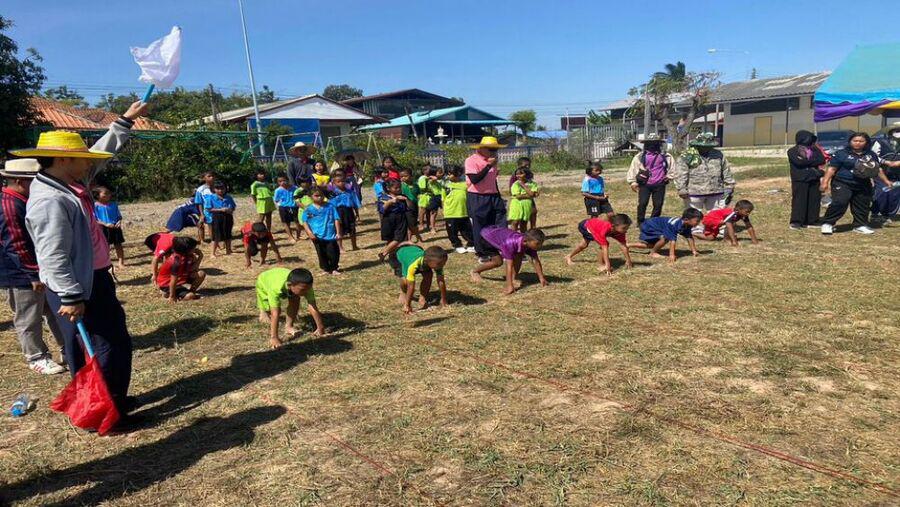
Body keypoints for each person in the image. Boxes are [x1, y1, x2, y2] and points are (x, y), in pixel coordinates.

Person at [19, 100, 148, 420]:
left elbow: (102, 153)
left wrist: (125, 121)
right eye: (81, 157)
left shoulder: (71, 183)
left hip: (91, 278)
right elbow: (52, 254)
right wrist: (71, 296)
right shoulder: (50, 200)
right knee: (103, 345)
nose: (88, 162)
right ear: (63, 159)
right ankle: (102, 411)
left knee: (109, 341)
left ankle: (109, 401)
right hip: (77, 286)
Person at [0, 158, 66, 374]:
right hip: (20, 273)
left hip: (37, 268)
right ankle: (36, 356)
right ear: (19, 182)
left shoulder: (24, 200)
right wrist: (32, 274)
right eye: (34, 181)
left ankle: (67, 347)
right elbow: (16, 244)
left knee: (52, 309)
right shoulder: (9, 205)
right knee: (28, 315)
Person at [820, 132, 900, 235]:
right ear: (850, 141)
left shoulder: (871, 154)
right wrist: (825, 182)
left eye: (861, 141)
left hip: (862, 183)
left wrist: (886, 181)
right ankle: (828, 223)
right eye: (855, 141)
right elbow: (831, 169)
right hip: (843, 182)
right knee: (840, 202)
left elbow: (877, 169)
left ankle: (859, 225)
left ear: (866, 142)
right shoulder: (841, 153)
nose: (858, 143)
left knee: (862, 204)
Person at [256, 267, 325, 349]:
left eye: (309, 289)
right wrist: (274, 338)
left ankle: (289, 326)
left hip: (283, 280)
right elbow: (275, 313)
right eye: (303, 290)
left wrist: (320, 328)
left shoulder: (306, 286)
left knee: (295, 299)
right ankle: (263, 314)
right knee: (267, 314)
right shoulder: (275, 288)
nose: (306, 292)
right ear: (289, 285)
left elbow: (312, 307)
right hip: (264, 281)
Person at [465, 136, 508, 260]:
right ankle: (482, 252)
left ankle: (501, 247)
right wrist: (488, 166)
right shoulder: (471, 160)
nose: (494, 152)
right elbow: (474, 180)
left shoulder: (492, 160)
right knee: (480, 224)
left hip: (493, 195)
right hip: (478, 196)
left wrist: (497, 195)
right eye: (491, 149)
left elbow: (493, 180)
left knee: (499, 222)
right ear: (482, 148)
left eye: (496, 149)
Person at [471, 226, 548, 295]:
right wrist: (509, 286)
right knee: (498, 262)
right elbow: (509, 266)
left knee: (519, 255)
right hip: (486, 238)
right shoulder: (510, 243)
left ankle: (513, 278)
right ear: (526, 241)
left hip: (498, 234)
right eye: (537, 244)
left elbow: (535, 261)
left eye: (541, 243)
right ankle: (475, 271)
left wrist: (541, 278)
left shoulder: (528, 244)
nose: (540, 246)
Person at [674, 132, 735, 213]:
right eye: (703, 146)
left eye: (709, 146)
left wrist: (729, 185)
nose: (706, 148)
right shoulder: (687, 156)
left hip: (715, 191)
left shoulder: (718, 154)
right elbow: (681, 173)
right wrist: (681, 188)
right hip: (694, 192)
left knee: (716, 215)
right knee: (693, 216)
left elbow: (725, 170)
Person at [565, 213, 634, 276]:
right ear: (613, 226)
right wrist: (607, 264)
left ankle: (568, 256)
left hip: (592, 225)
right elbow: (604, 247)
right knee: (603, 244)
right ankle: (601, 265)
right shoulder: (604, 228)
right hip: (586, 226)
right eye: (624, 228)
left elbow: (623, 246)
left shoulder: (620, 232)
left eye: (627, 228)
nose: (626, 230)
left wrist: (628, 260)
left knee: (583, 245)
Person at [626, 134, 673, 225]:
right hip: (644, 184)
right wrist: (632, 182)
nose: (652, 146)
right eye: (650, 144)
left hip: (660, 183)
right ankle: (641, 222)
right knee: (642, 203)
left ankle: (653, 221)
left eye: (655, 143)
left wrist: (669, 176)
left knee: (658, 204)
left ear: (659, 144)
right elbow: (633, 168)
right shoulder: (640, 156)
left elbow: (672, 167)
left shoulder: (665, 156)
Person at [628, 208, 703, 263]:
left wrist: (694, 251)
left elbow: (689, 237)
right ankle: (653, 253)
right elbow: (672, 241)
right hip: (650, 226)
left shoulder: (687, 225)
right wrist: (671, 255)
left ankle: (628, 245)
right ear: (686, 219)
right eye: (697, 221)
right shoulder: (675, 225)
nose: (698, 223)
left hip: (653, 226)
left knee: (651, 245)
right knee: (665, 238)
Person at [786, 130, 827, 229]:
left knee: (814, 199)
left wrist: (807, 161)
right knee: (799, 200)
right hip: (800, 179)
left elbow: (822, 160)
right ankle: (797, 222)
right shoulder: (792, 151)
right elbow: (799, 162)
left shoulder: (815, 149)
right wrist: (812, 162)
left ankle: (812, 220)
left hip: (814, 177)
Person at [391, 244, 449, 314]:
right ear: (426, 260)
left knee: (428, 274)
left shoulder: (437, 263)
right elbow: (411, 286)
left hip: (414, 250)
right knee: (405, 280)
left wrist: (443, 299)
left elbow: (441, 281)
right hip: (398, 256)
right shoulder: (412, 264)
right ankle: (404, 293)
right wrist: (407, 305)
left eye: (444, 263)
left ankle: (422, 298)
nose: (443, 265)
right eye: (439, 264)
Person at [301, 188, 342, 275]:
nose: (319, 197)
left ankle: (334, 268)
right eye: (316, 196)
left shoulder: (330, 206)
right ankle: (326, 269)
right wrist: (309, 233)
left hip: (330, 234)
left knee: (333, 252)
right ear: (311, 197)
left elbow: (336, 219)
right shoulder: (308, 209)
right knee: (321, 253)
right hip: (317, 235)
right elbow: (305, 222)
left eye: (321, 195)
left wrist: (338, 232)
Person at [156, 236, 205, 303]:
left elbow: (194, 269)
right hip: (167, 284)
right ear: (187, 249)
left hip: (180, 279)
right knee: (190, 296)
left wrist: (200, 257)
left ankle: (190, 292)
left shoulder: (189, 256)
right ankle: (168, 293)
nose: (195, 249)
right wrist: (172, 297)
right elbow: (173, 280)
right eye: (193, 248)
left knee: (201, 273)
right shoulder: (176, 262)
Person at [694, 200, 759, 246]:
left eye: (749, 212)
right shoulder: (731, 214)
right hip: (710, 219)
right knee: (730, 224)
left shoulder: (744, 215)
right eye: (747, 212)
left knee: (710, 238)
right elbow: (729, 227)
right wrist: (734, 241)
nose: (748, 214)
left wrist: (754, 240)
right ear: (738, 209)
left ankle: (694, 235)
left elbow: (749, 227)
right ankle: (726, 239)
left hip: (718, 221)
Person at [871, 124, 900, 223]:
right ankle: (875, 213)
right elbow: (873, 156)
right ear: (890, 132)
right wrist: (886, 162)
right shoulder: (880, 142)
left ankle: (887, 215)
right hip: (881, 173)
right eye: (897, 131)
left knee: (894, 195)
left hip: (897, 174)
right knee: (882, 192)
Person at [443, 165, 475, 253]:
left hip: (463, 212)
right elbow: (443, 198)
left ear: (458, 174)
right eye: (447, 174)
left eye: (451, 174)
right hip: (451, 213)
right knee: (452, 232)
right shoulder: (446, 185)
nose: (448, 176)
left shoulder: (465, 184)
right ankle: (457, 245)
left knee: (467, 230)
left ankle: (471, 244)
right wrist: (444, 211)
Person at [93, 186, 126, 269]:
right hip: (103, 228)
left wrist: (119, 221)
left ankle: (121, 263)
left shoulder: (113, 204)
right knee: (105, 246)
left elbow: (119, 216)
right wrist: (105, 224)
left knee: (118, 245)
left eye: (109, 193)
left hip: (115, 227)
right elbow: (95, 219)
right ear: (98, 195)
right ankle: (106, 263)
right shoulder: (95, 206)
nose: (108, 195)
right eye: (105, 193)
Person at [377, 179, 410, 263]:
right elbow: (381, 210)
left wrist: (406, 199)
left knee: (399, 238)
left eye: (399, 187)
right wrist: (390, 202)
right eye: (396, 188)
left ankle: (385, 253)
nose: (399, 189)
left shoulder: (402, 196)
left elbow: (408, 207)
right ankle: (389, 255)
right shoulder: (383, 197)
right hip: (389, 219)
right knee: (390, 239)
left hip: (400, 218)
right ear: (388, 188)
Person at [328, 169, 361, 251]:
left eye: (343, 181)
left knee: (352, 229)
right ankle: (340, 247)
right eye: (338, 182)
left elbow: (355, 203)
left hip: (349, 212)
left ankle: (354, 245)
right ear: (334, 183)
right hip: (338, 212)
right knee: (339, 230)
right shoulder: (333, 193)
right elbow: (330, 205)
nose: (341, 183)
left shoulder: (350, 192)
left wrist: (357, 213)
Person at [207, 180, 236, 257]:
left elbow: (233, 207)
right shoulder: (211, 197)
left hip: (228, 216)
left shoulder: (228, 197)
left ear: (226, 188)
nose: (220, 190)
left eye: (222, 188)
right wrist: (220, 210)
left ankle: (228, 250)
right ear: (214, 189)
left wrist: (230, 210)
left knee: (228, 234)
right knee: (216, 236)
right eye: (218, 188)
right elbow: (209, 209)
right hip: (217, 217)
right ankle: (212, 253)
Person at [508, 157, 538, 228]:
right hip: (518, 203)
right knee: (516, 220)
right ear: (519, 166)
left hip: (529, 201)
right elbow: (514, 193)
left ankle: (533, 230)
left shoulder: (529, 177)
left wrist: (532, 194)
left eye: (529, 165)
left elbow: (535, 192)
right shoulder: (515, 177)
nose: (527, 167)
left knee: (533, 213)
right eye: (525, 165)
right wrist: (529, 195)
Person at [399, 168, 424, 242]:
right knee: (409, 223)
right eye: (401, 176)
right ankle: (410, 238)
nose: (403, 178)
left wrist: (420, 198)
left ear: (411, 176)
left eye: (405, 176)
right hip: (405, 206)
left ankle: (415, 236)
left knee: (413, 222)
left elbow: (419, 193)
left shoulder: (415, 185)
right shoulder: (400, 186)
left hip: (414, 205)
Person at [274, 175, 300, 242]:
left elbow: (299, 196)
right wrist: (281, 204)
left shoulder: (295, 188)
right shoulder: (278, 190)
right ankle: (290, 236)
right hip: (284, 208)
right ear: (278, 182)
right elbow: (276, 199)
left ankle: (298, 236)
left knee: (297, 222)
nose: (282, 182)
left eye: (284, 180)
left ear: (288, 180)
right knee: (286, 222)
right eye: (280, 181)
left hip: (294, 207)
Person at [417, 165, 442, 233]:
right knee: (422, 211)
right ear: (424, 171)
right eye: (429, 169)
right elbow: (422, 188)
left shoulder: (430, 177)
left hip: (430, 196)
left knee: (429, 211)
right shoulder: (423, 178)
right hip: (424, 196)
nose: (430, 170)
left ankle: (429, 225)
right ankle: (421, 225)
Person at [194, 171, 215, 243]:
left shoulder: (218, 187)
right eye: (209, 176)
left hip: (218, 210)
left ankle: (217, 239)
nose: (212, 177)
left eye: (212, 176)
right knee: (208, 225)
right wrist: (202, 214)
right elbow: (199, 203)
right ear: (204, 178)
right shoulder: (200, 189)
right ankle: (207, 240)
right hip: (207, 211)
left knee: (216, 226)